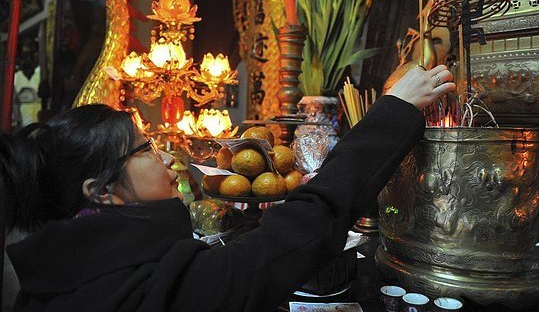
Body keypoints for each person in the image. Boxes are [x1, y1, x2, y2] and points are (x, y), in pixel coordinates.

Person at [1, 65, 455, 312]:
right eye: (145, 150)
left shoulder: (63, 271)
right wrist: (392, 112)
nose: (164, 158)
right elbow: (300, 229)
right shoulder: (149, 288)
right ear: (101, 191)